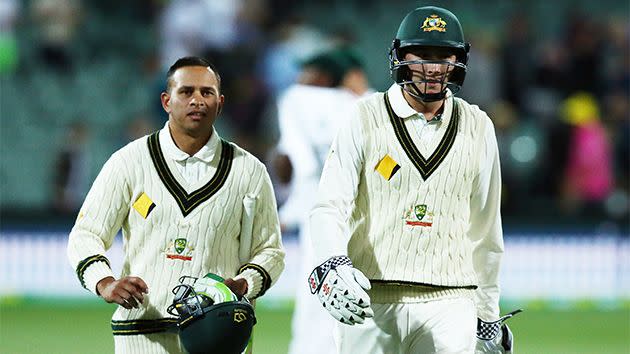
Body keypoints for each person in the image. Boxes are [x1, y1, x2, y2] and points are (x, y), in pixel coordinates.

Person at [307, 6, 513, 354]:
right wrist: (332, 265)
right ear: (401, 56)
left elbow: (486, 232)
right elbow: (329, 205)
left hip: (451, 300)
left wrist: (487, 314)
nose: (433, 67)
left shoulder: (479, 126)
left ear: (457, 60)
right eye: (422, 55)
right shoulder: (363, 117)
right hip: (370, 298)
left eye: (443, 56)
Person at [67, 56, 285, 354]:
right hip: (141, 333)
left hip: (219, 334)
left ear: (220, 104)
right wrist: (103, 281)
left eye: (206, 93)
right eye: (186, 92)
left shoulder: (250, 171)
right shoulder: (128, 162)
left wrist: (245, 283)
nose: (197, 100)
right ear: (166, 101)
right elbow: (86, 233)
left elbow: (271, 250)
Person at [275, 48, 370, 354]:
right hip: (365, 220)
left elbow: (294, 166)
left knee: (316, 300)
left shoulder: (296, 101)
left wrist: (289, 210)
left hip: (323, 217)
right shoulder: (376, 104)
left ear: (326, 76)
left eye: (309, 72)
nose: (302, 78)